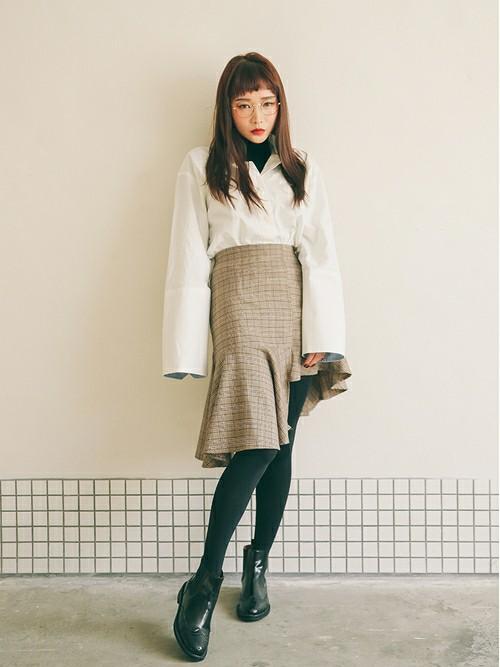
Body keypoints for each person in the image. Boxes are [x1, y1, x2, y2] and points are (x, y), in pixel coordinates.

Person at [162, 51, 352, 661]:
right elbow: (188, 252)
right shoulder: (202, 165)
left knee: (282, 444)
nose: (257, 115)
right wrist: (184, 346)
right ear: (228, 109)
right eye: (244, 104)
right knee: (258, 443)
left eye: (267, 103)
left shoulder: (301, 167)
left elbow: (320, 253)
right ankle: (203, 582)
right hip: (238, 300)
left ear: (280, 105)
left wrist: (323, 334)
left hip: (293, 307)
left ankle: (258, 563)